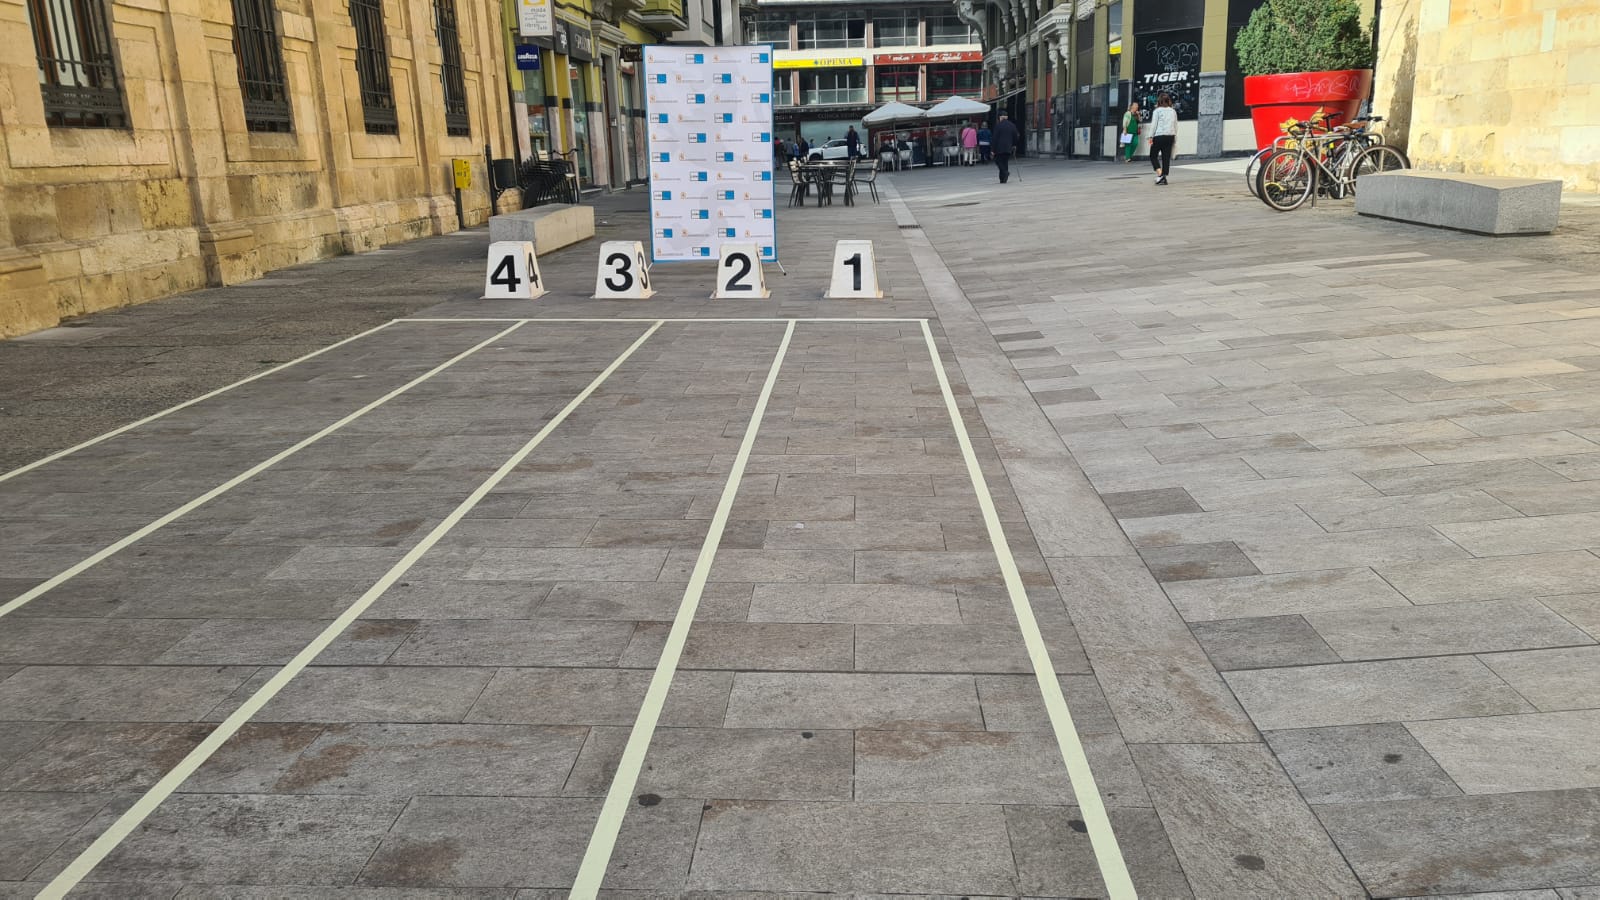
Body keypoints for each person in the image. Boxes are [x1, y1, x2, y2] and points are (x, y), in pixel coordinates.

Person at [1149, 92, 1177, 185]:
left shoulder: (1157, 111)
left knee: (1153, 155)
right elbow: (1175, 125)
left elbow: (1154, 125)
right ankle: (1163, 176)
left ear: (1159, 101)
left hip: (1159, 136)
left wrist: (1150, 136)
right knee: (1166, 157)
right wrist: (1175, 136)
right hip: (1170, 136)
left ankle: (1160, 175)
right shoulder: (1173, 111)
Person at [990, 112, 1021, 183]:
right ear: (1006, 117)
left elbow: (995, 138)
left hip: (999, 147)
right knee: (1005, 162)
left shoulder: (998, 126)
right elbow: (1016, 136)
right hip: (1008, 147)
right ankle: (1003, 179)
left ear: (1000, 117)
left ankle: (1005, 172)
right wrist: (1014, 144)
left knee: (998, 161)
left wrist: (992, 149)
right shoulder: (1012, 125)